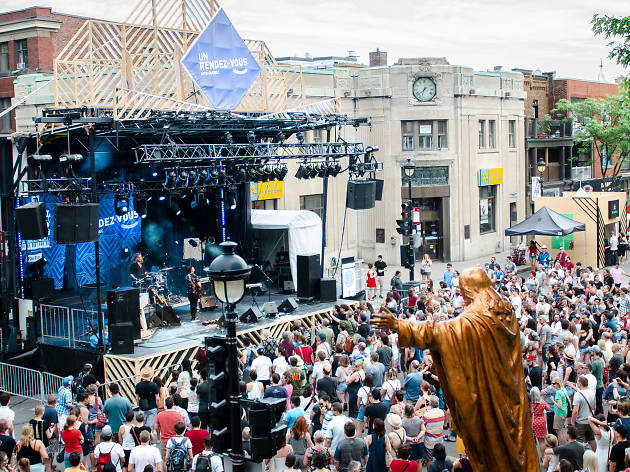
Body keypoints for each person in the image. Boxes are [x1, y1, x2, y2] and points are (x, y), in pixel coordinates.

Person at [371, 267, 539, 470]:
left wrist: (399, 325)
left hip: (490, 397)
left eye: (462, 292)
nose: (462, 297)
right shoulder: (504, 310)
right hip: (510, 391)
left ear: (470, 289)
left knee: (496, 449)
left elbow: (442, 332)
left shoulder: (477, 317)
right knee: (514, 444)